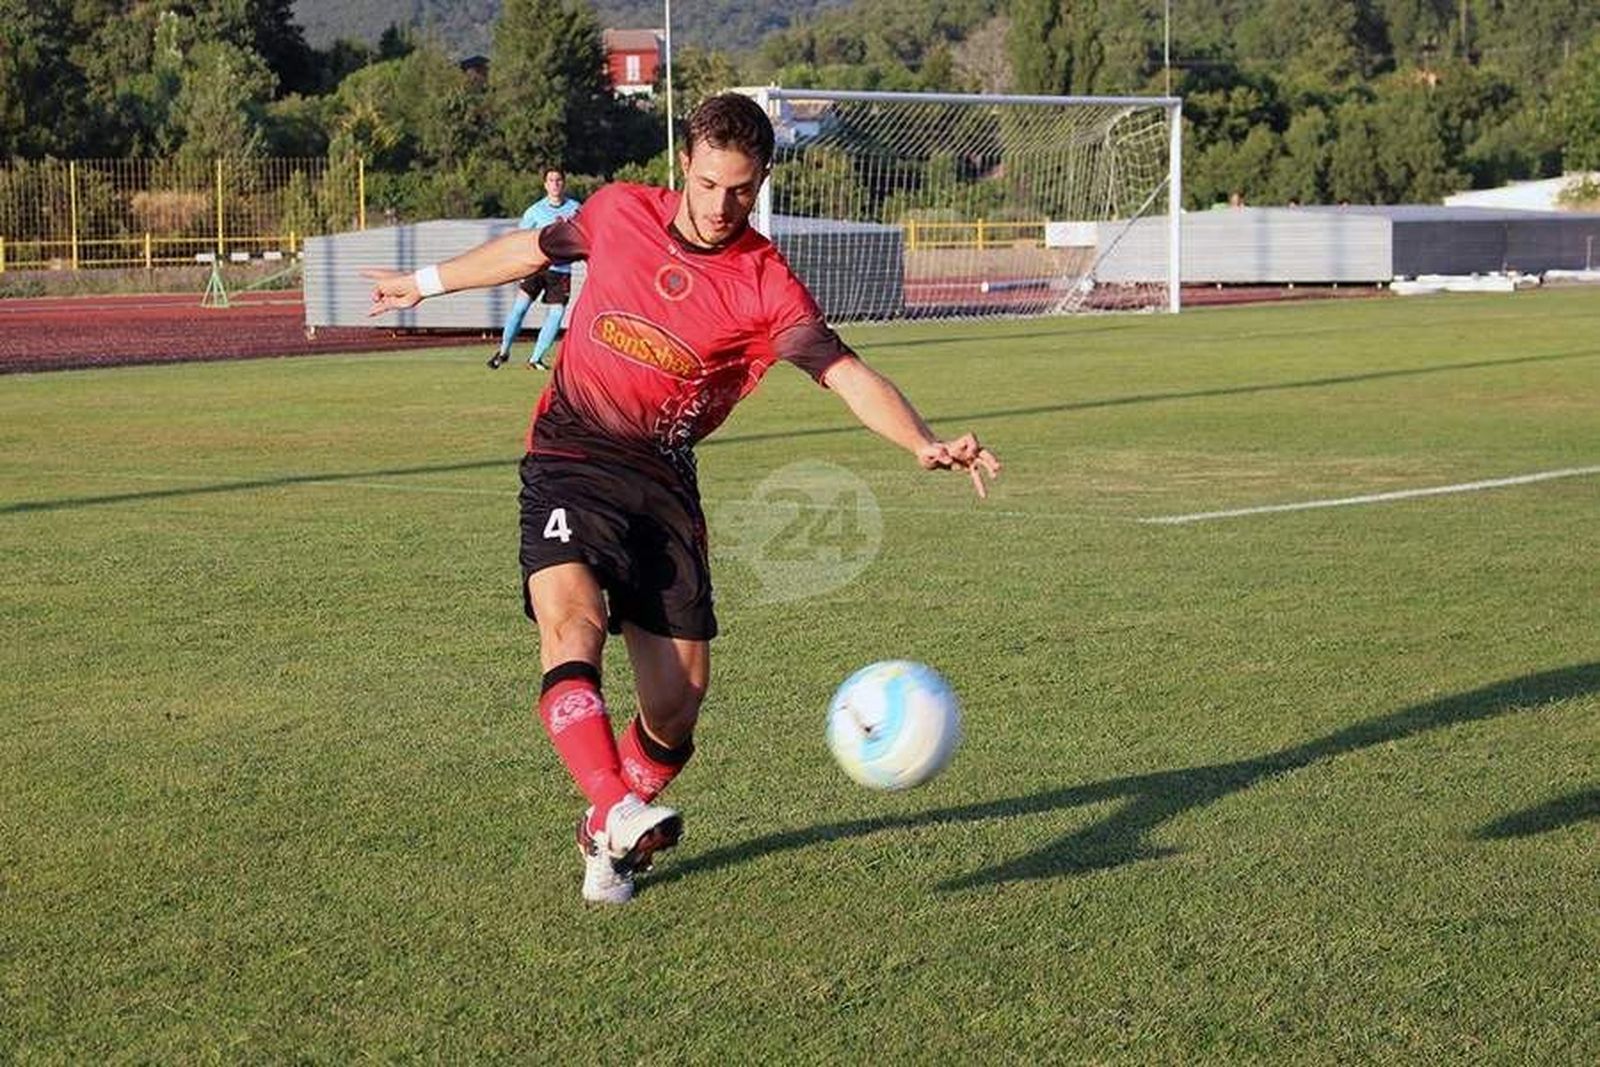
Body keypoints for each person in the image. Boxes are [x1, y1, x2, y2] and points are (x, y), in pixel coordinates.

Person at [366, 93, 1000, 905]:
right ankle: (616, 804)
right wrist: (424, 284)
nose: (719, 205)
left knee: (676, 709)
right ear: (685, 167)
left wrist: (921, 441)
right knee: (572, 624)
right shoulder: (617, 212)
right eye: (707, 184)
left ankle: (607, 831)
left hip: (664, 478)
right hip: (572, 452)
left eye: (740, 189)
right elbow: (530, 249)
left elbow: (842, 372)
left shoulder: (767, 283)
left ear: (762, 180)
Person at [487, 167, 581, 370]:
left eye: (558, 180)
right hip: (536, 268)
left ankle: (535, 359)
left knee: (556, 314)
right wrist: (518, 266)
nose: (555, 184)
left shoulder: (575, 209)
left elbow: (585, 233)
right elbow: (520, 239)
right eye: (551, 180)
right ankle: (503, 351)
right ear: (545, 185)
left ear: (563, 183)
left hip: (561, 271)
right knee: (519, 309)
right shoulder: (535, 210)